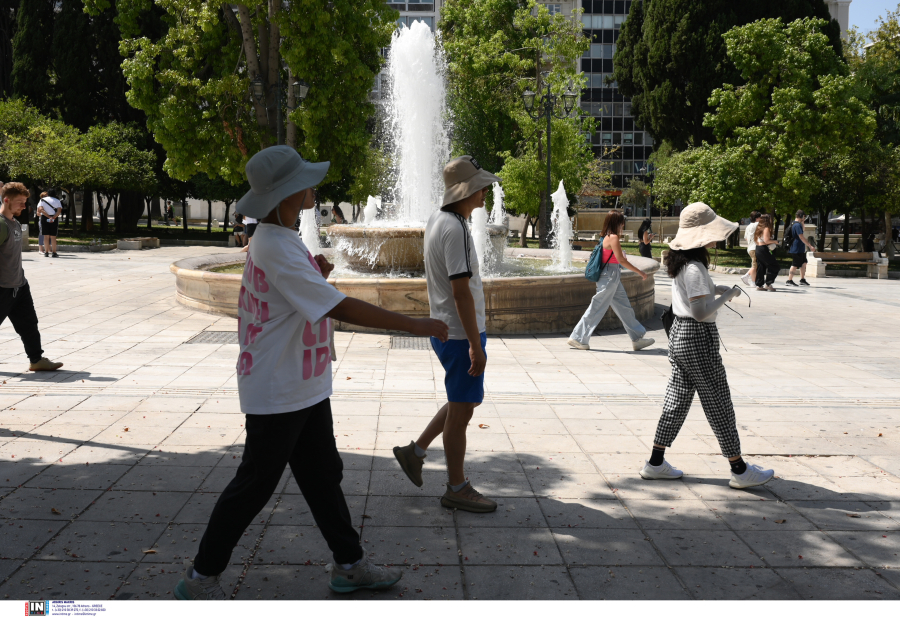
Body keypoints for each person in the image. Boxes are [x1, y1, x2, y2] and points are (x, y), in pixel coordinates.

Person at [174, 147, 448, 600]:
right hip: (278, 389)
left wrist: (315, 271)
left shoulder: (280, 238)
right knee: (253, 485)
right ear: (285, 194)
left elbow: (299, 293)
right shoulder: (275, 243)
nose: (312, 186)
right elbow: (337, 305)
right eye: (304, 181)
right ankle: (201, 577)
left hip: (302, 385)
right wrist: (413, 323)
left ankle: (350, 565)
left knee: (323, 475)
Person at [392, 155, 499, 514]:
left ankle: (416, 451)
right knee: (462, 412)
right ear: (466, 191)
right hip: (457, 335)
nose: (485, 193)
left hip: (448, 331)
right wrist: (474, 344)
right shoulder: (454, 228)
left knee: (461, 403)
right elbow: (460, 291)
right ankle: (456, 487)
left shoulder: (440, 220)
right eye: (481, 187)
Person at [640, 202, 774, 489]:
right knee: (719, 403)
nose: (717, 237)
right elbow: (701, 312)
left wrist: (715, 289)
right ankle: (739, 469)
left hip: (678, 336)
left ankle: (655, 462)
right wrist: (728, 295)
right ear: (702, 236)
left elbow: (691, 294)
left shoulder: (679, 262)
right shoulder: (695, 267)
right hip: (697, 337)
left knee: (676, 401)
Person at [566, 210, 655, 352]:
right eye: (621, 221)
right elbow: (621, 260)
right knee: (597, 307)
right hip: (609, 276)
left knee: (624, 307)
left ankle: (637, 338)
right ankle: (578, 337)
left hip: (611, 275)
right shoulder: (613, 237)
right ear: (616, 222)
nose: (623, 224)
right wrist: (640, 272)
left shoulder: (606, 237)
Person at [0, 183, 64, 372]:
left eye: (25, 202)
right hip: (3, 287)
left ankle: (36, 360)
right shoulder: (2, 225)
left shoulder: (15, 223)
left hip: (19, 284)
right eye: (20, 202)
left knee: (29, 324)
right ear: (6, 200)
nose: (24, 206)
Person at [785, 210, 815, 287]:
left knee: (804, 262)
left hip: (800, 248)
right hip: (796, 248)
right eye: (804, 216)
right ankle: (789, 280)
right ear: (801, 216)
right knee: (795, 264)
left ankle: (802, 279)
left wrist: (803, 222)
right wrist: (810, 245)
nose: (804, 218)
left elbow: (803, 230)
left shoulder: (796, 224)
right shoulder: (797, 225)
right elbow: (801, 236)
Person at [753, 214, 780, 291]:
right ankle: (768, 283)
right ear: (768, 220)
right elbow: (766, 240)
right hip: (763, 249)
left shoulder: (759, 228)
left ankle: (759, 284)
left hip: (758, 248)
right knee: (775, 266)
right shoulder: (766, 228)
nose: (772, 221)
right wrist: (776, 241)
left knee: (761, 267)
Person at [37, 189, 62, 258]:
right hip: (54, 218)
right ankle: (54, 252)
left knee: (46, 236)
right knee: (53, 236)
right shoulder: (57, 201)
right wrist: (53, 217)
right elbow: (59, 211)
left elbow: (41, 209)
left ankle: (46, 252)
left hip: (44, 218)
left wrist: (48, 216)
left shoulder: (42, 200)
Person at [740, 211, 760, 287]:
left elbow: (745, 238)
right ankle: (749, 278)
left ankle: (752, 281)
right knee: (755, 265)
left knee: (755, 265)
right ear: (757, 218)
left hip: (750, 247)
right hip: (755, 247)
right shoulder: (758, 224)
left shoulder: (748, 226)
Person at [36, 191, 47, 255]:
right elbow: (38, 213)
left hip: (48, 220)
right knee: (41, 234)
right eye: (45, 196)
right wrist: (44, 215)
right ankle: (41, 249)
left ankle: (48, 248)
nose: (46, 197)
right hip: (42, 220)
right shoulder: (40, 203)